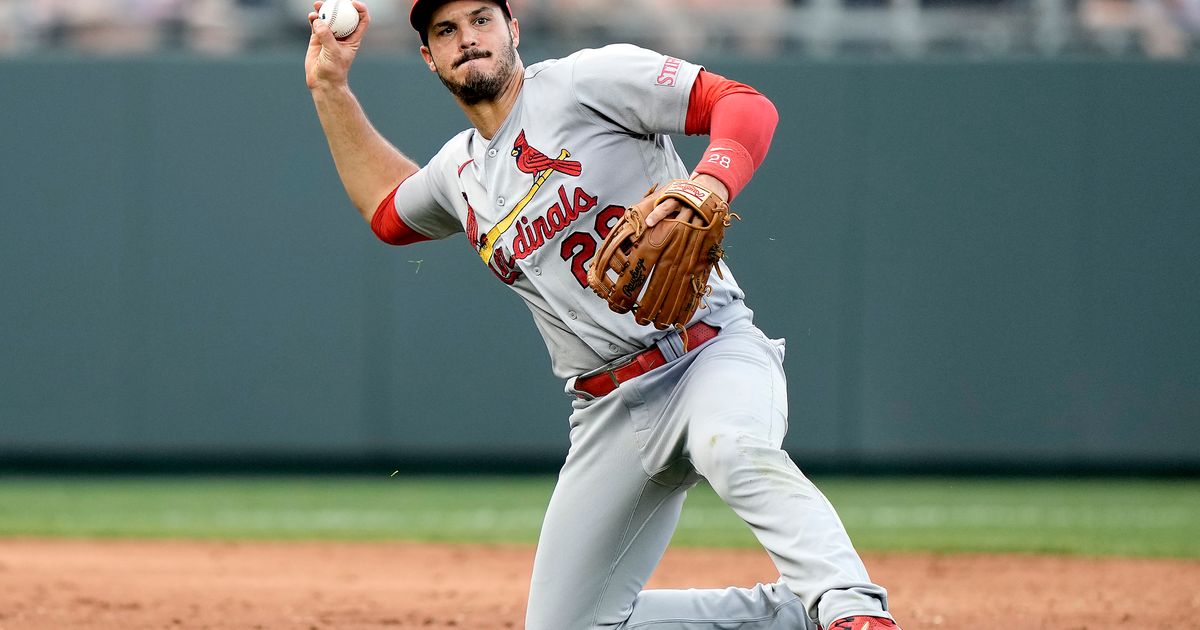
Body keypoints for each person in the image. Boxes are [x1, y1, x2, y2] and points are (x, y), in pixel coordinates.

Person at [304, 1, 903, 628]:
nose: (467, 39)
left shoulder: (586, 82)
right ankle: (791, 617)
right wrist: (329, 86)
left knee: (730, 445)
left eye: (481, 19)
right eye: (446, 31)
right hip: (608, 410)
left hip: (704, 352)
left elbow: (745, 105)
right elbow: (387, 212)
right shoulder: (459, 171)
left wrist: (709, 184)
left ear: (513, 28)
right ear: (430, 57)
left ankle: (850, 609)